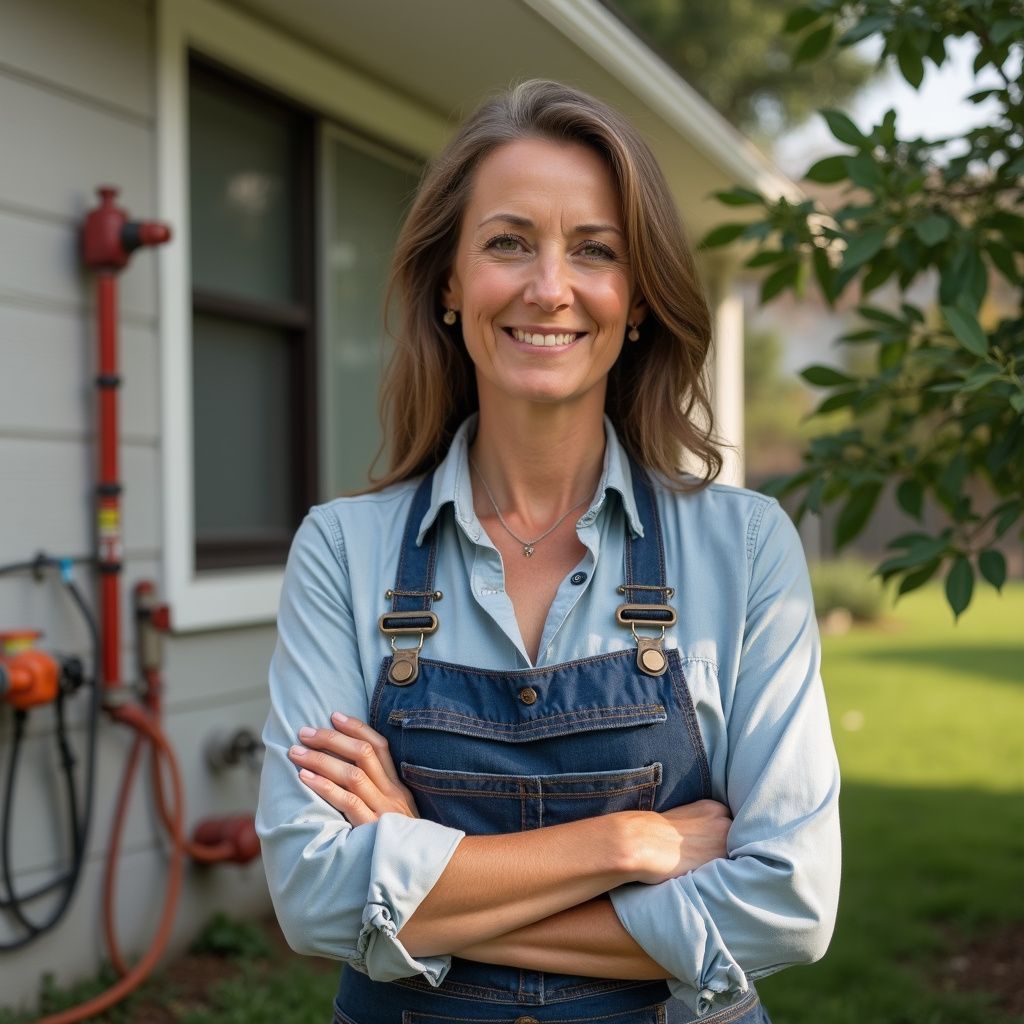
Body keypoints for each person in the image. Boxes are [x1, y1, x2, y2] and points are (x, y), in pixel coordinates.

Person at [256, 80, 841, 1024]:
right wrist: (626, 845)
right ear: (449, 282)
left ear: (639, 298)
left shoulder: (744, 547)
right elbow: (312, 895)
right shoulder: (342, 550)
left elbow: (789, 903)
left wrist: (409, 866)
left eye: (595, 250)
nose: (549, 287)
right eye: (508, 242)